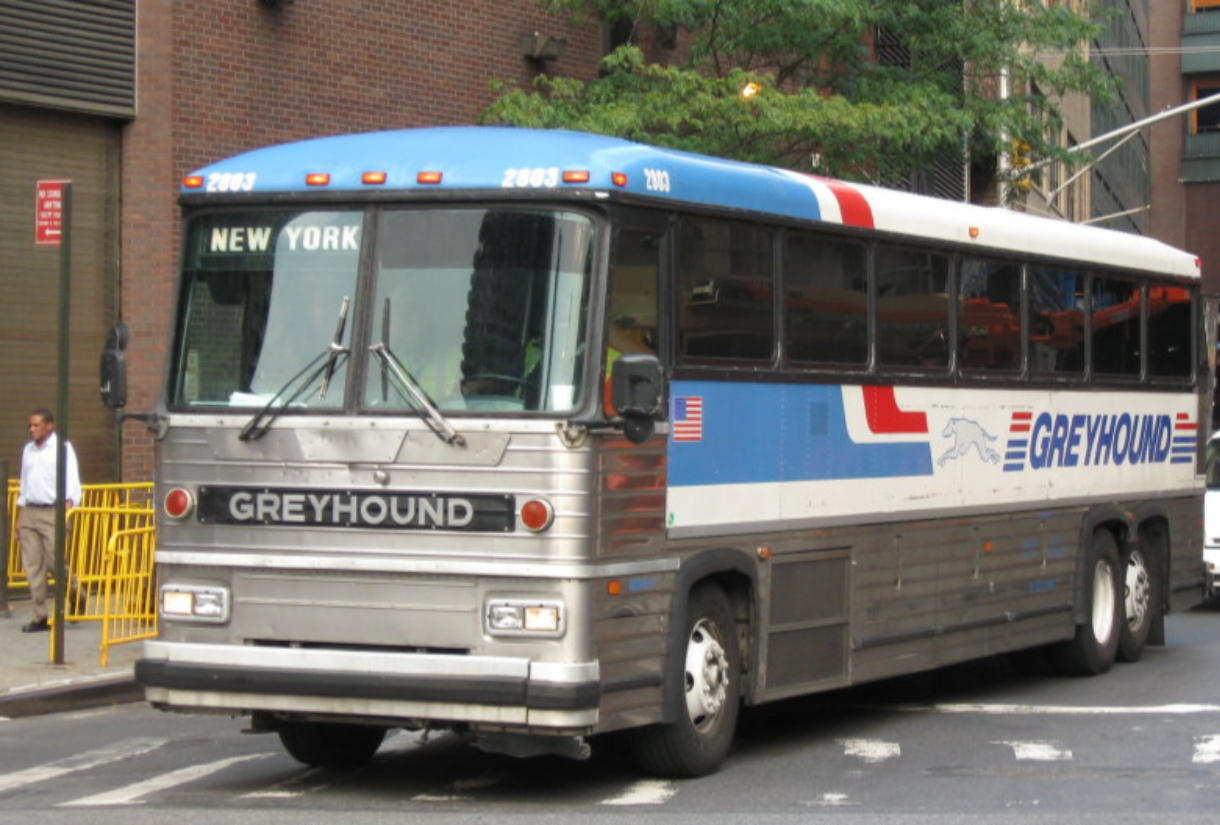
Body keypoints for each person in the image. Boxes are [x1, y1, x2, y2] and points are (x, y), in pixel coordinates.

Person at [16, 409, 81, 633]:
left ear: (49, 426)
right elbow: (24, 483)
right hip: (31, 511)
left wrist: (70, 504)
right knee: (33, 566)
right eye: (30, 426)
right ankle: (40, 616)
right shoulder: (28, 450)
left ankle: (75, 592)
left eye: (36, 425)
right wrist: (20, 516)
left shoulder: (62, 448)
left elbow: (72, 479)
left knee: (54, 562)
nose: (32, 429)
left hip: (53, 511)